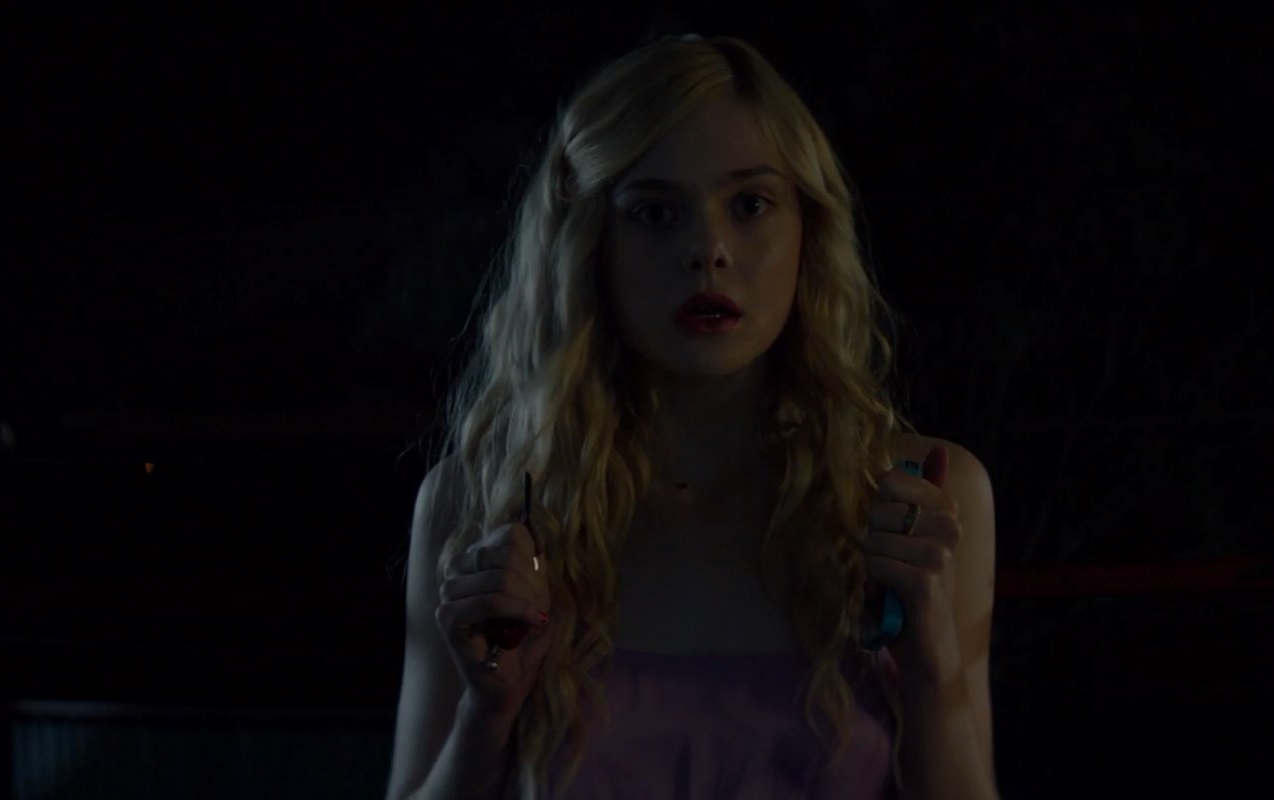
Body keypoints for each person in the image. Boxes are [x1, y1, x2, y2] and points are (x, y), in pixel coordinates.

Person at [386, 33, 998, 800]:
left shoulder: (916, 502)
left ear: (808, 229)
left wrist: (931, 674)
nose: (708, 249)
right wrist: (487, 714)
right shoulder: (486, 504)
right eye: (654, 213)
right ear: (589, 244)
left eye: (750, 205)